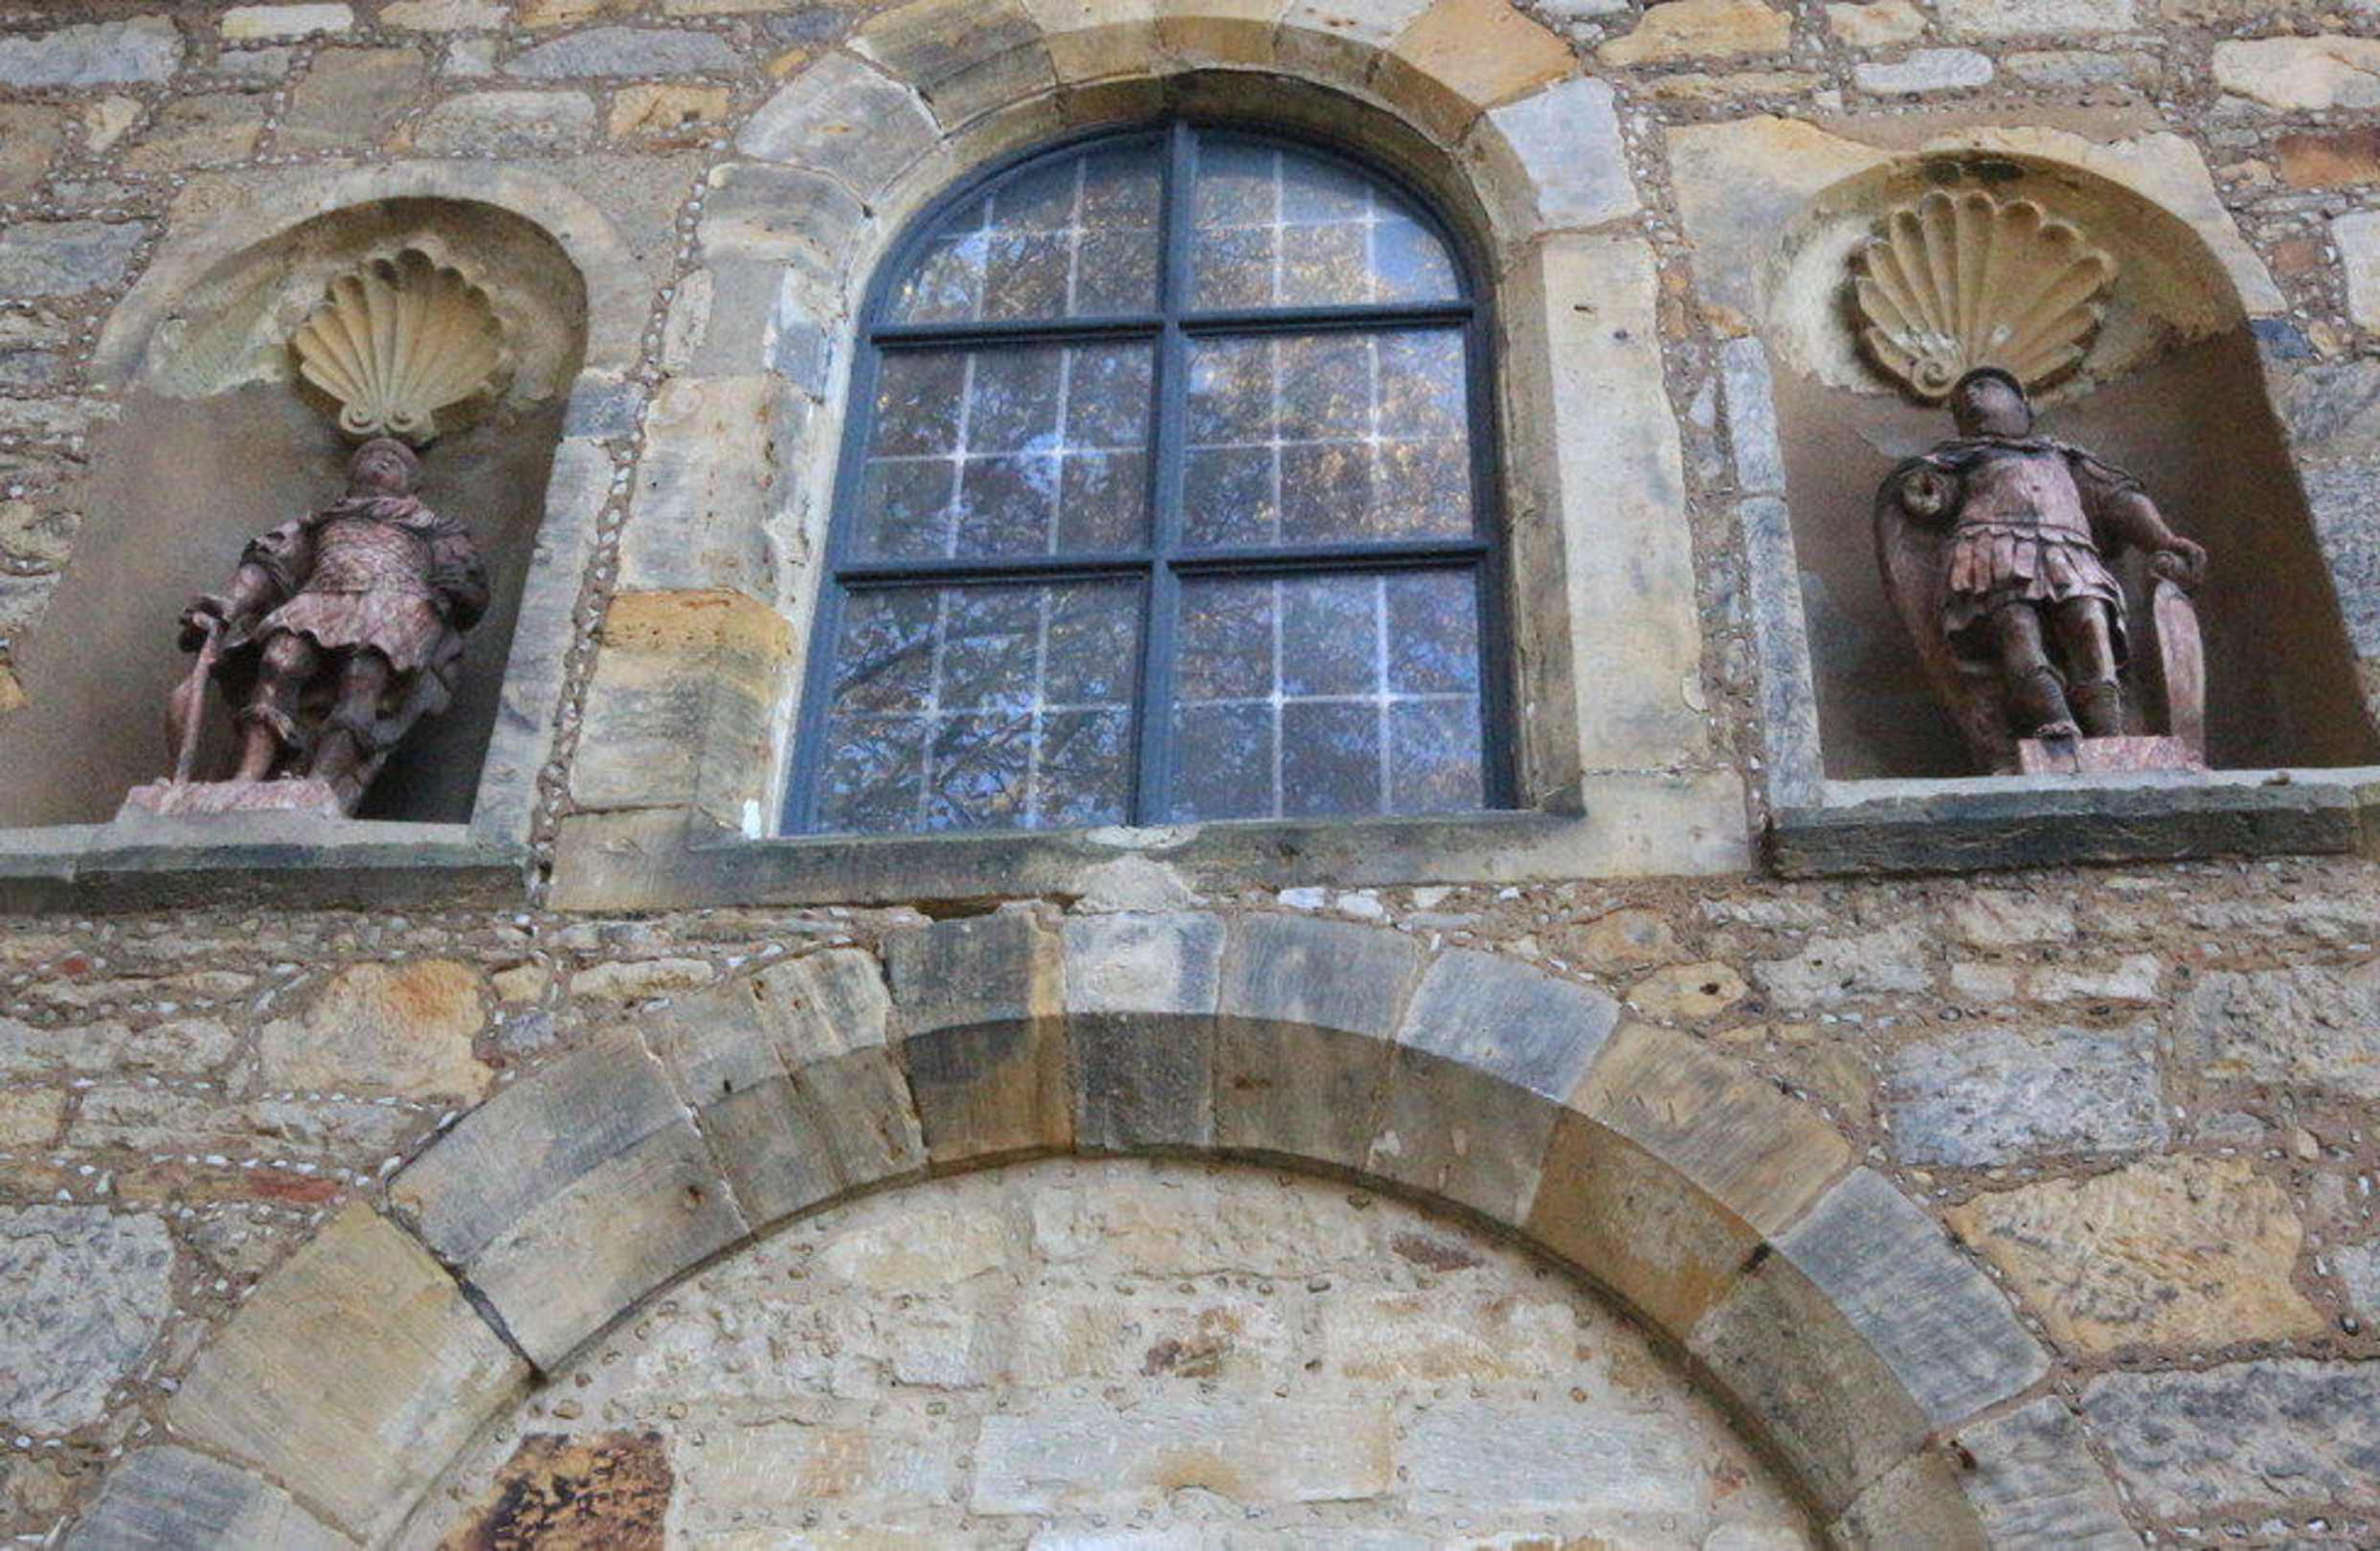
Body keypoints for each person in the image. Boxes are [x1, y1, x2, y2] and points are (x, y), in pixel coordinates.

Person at [1879, 367, 2206, 740]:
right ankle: (2051, 719)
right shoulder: (1959, 460)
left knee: (2089, 626)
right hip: (1993, 552)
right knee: (2017, 629)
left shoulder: (2064, 457)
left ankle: (2110, 733)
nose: (1971, 396)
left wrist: (2163, 540)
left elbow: (2118, 500)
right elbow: (1933, 496)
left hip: (2069, 552)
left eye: (1984, 386)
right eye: (1961, 400)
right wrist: (1926, 492)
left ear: (2022, 404)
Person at [175, 438, 487, 808]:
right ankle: (247, 776)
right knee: (279, 663)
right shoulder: (320, 522)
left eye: (395, 461)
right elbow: (270, 563)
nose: (382, 461)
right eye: (372, 456)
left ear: (412, 485)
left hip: (395, 602)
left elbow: (466, 583)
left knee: (362, 680)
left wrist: (458, 591)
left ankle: (321, 783)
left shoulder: (432, 526)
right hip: (320, 596)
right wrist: (232, 605)